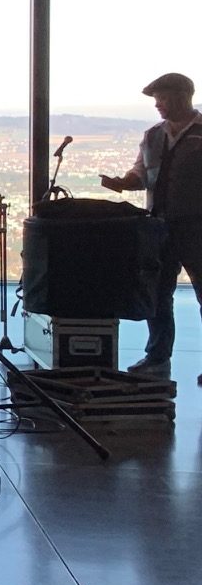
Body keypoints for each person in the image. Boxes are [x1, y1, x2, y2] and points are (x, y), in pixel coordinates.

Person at [101, 71, 202, 379]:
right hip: (158, 227)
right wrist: (122, 183)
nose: (157, 105)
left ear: (183, 97)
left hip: (197, 228)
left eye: (162, 98)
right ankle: (157, 358)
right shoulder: (153, 135)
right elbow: (142, 173)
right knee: (157, 294)